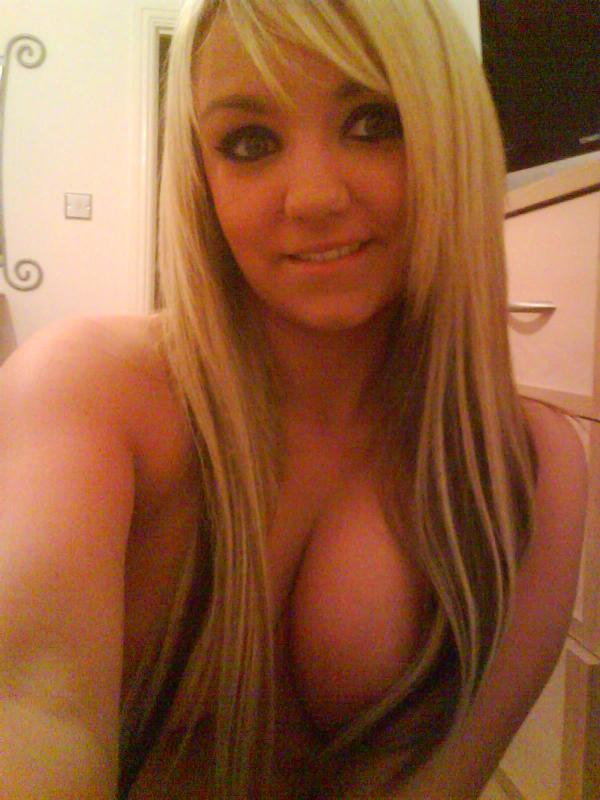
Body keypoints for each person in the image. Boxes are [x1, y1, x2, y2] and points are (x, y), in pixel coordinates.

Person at [0, 0, 587, 798]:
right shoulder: (85, 388)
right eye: (250, 142)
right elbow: (34, 708)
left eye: (374, 122)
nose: (311, 198)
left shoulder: (529, 467)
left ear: (449, 134)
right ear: (202, 179)